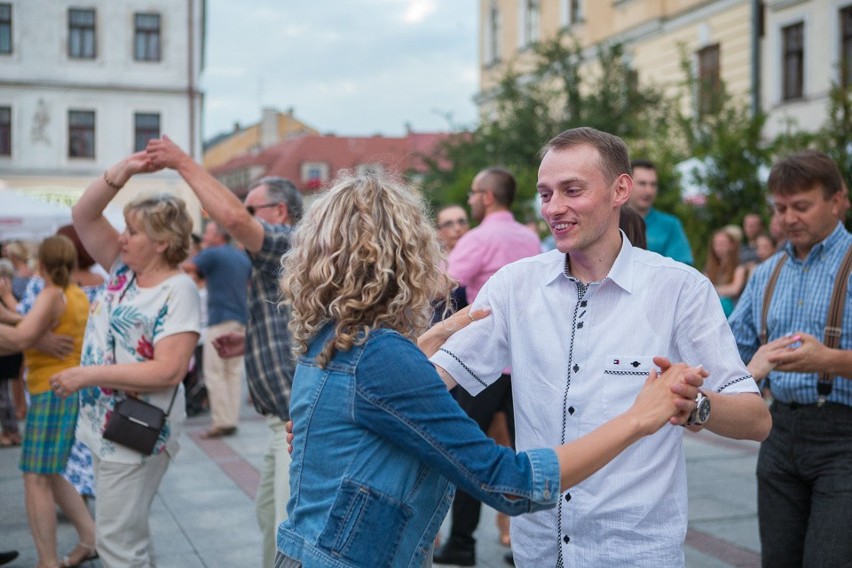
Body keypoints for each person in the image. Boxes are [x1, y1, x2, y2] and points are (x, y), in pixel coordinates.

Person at [275, 170, 706, 568]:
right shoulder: (380, 356)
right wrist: (637, 418)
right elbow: (507, 481)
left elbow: (360, 412)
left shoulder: (333, 338)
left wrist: (419, 349)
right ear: (405, 255)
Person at [431, 127, 771, 567]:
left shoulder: (679, 289)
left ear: (620, 190)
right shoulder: (516, 285)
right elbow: (435, 379)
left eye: (572, 190)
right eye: (546, 193)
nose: (554, 208)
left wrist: (695, 406)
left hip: (631, 553)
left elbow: (756, 419)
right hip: (538, 552)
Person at [146, 136, 302, 568]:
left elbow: (231, 217)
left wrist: (182, 162)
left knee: (287, 532)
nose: (243, 219)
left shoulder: (287, 242)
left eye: (254, 210)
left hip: (296, 424)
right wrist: (250, 340)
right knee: (271, 521)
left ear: (280, 213)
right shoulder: (281, 256)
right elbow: (295, 321)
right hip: (281, 421)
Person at [51, 154, 201, 568]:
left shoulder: (178, 290)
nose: (121, 237)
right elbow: (83, 213)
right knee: (126, 533)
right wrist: (123, 172)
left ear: (161, 243)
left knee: (117, 542)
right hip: (108, 426)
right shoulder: (123, 271)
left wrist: (87, 375)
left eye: (132, 231)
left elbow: (168, 370)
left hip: (137, 430)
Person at [728, 149, 852, 568]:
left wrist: (830, 360)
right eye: (780, 209)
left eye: (801, 206)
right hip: (779, 434)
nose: (788, 219)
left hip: (844, 440)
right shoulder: (767, 272)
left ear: (838, 200)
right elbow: (730, 354)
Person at [434, 167, 541, 566]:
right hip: (525, 360)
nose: (470, 199)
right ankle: (526, 543)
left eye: (474, 192)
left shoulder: (479, 239)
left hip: (482, 363)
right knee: (529, 450)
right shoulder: (530, 237)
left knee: (464, 452)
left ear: (489, 196)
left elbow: (439, 283)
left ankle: (462, 542)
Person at [0, 235, 96, 568]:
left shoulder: (52, 295)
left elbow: (23, 337)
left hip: (50, 391)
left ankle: (48, 561)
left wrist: (31, 335)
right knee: (52, 474)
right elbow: (31, 326)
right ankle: (90, 539)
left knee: (35, 478)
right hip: (64, 390)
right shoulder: (74, 292)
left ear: (42, 263)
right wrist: (35, 332)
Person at [19, 224, 104, 502]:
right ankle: (85, 515)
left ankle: (77, 525)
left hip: (50, 380)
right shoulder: (93, 285)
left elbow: (24, 330)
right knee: (73, 449)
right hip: (86, 373)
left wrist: (36, 338)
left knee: (38, 473)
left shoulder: (50, 291)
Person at [185, 221, 251, 438]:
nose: (204, 235)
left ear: (219, 236)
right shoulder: (240, 256)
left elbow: (188, 267)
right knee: (233, 373)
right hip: (241, 318)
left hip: (220, 318)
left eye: (209, 232)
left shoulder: (212, 253)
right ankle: (230, 419)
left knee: (214, 373)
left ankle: (222, 421)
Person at [627, 159, 694, 265]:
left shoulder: (670, 225)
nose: (648, 191)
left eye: (653, 184)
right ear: (627, 184)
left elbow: (682, 266)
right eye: (642, 183)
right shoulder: (610, 221)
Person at [0, 259, 22, 448]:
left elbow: (22, 320)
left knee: (3, 396)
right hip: (10, 352)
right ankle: (11, 430)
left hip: (7, 353)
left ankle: (11, 431)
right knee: (5, 394)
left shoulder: (8, 297)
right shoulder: (11, 296)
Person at [703, 226, 747, 317]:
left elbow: (734, 289)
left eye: (722, 243)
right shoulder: (709, 267)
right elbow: (702, 286)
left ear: (731, 245)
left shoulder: (739, 267)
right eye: (716, 244)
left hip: (733, 309)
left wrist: (712, 288)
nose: (718, 247)